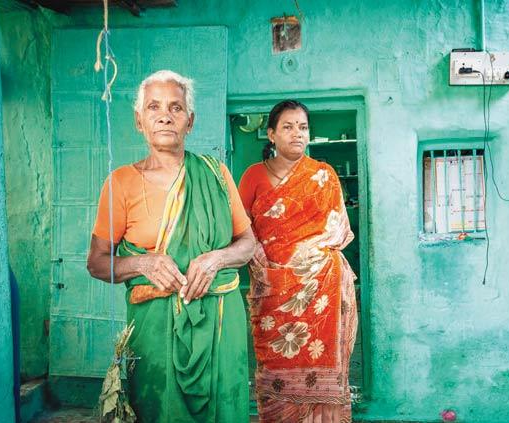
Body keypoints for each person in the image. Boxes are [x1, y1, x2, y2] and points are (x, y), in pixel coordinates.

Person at [86, 70, 255, 422]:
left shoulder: (216, 174)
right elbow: (98, 263)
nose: (165, 115)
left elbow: (248, 244)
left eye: (176, 107)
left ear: (189, 121)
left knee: (225, 405)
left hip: (220, 324)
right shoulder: (121, 183)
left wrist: (216, 258)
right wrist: (143, 265)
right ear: (139, 121)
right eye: (154, 107)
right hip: (153, 332)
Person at [239, 100, 357, 422]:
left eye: (303, 127)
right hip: (272, 292)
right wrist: (268, 265)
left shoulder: (324, 176)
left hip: (320, 291)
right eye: (288, 127)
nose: (297, 134)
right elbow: (239, 228)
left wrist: (306, 258)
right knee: (274, 368)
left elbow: (336, 230)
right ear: (271, 134)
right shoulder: (253, 177)